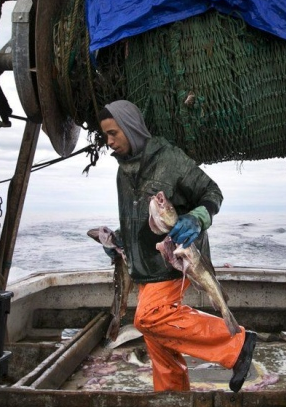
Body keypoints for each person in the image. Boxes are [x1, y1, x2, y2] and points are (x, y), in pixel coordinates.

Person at [97, 99, 256, 392]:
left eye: (113, 133)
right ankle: (173, 404)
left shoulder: (169, 158)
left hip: (173, 260)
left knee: (149, 318)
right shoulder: (123, 172)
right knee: (162, 351)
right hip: (143, 266)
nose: (108, 141)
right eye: (105, 135)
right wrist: (118, 241)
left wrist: (197, 218)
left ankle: (237, 343)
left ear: (130, 129)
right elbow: (134, 219)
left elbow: (212, 192)